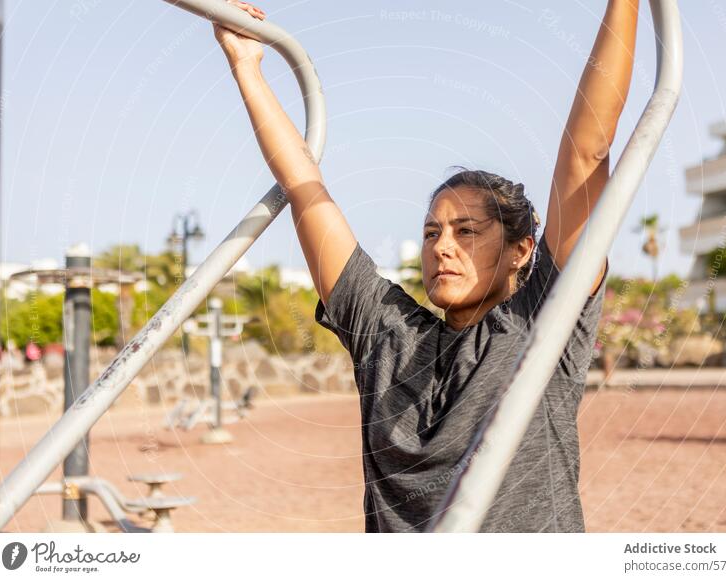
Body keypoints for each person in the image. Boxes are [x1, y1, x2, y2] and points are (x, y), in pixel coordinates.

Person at [214, 0, 638, 532]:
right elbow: (304, 189)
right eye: (432, 233)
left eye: (466, 232)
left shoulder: (542, 325)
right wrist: (244, 64)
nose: (442, 248)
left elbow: (588, 151)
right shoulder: (386, 334)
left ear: (521, 250)